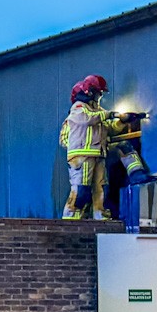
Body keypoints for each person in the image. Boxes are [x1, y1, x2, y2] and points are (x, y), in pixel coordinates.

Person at [60, 74, 112, 220]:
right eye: (98, 92)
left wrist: (122, 120)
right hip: (82, 155)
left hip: (98, 154)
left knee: (99, 187)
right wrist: (109, 114)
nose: (100, 96)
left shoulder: (98, 111)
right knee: (81, 189)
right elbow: (87, 119)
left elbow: (108, 127)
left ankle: (99, 215)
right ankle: (71, 218)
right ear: (90, 91)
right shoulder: (78, 108)